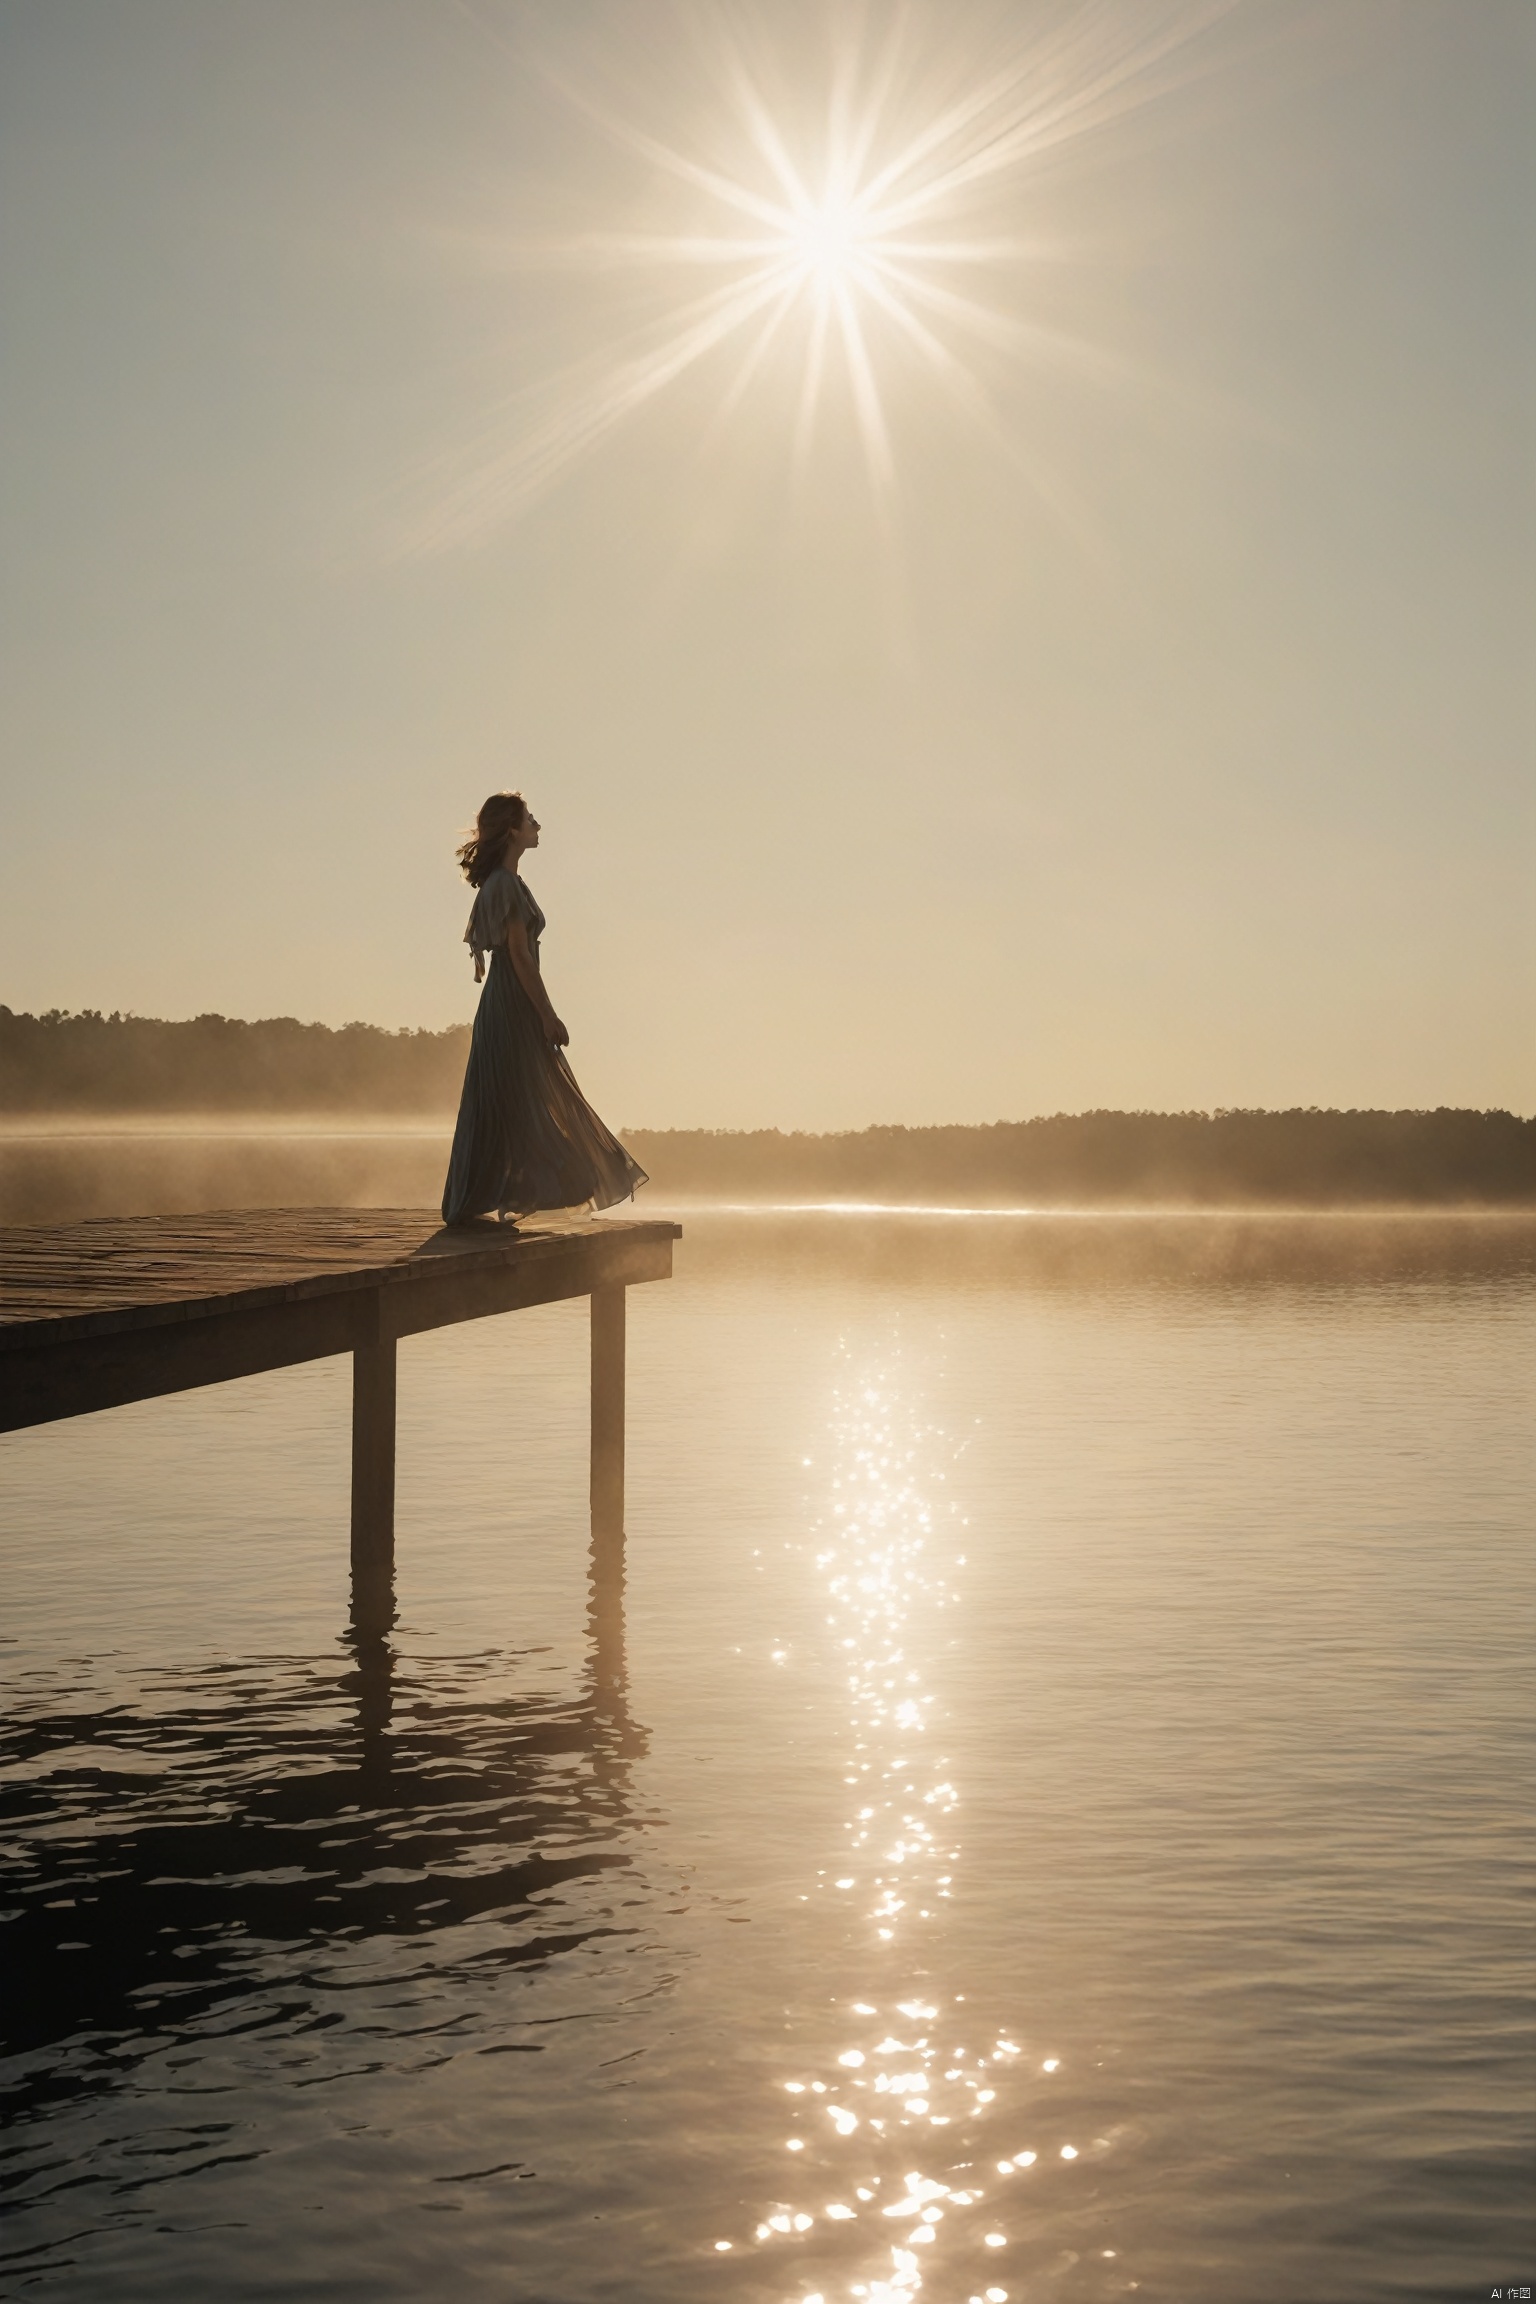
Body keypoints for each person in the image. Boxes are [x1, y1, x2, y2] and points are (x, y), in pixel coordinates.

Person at [440, 791, 647, 1227]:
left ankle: (486, 1197)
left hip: (503, 1000)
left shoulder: (502, 882)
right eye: (530, 819)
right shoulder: (507, 885)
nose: (537, 826)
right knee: (523, 1095)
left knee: (509, 1097)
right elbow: (519, 955)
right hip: (512, 999)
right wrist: (547, 1015)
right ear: (512, 830)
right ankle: (510, 1192)